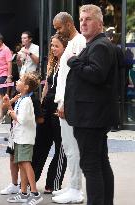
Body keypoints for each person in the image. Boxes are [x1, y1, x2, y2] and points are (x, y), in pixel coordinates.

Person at [64, 4, 119, 205]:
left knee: (92, 166)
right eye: (81, 19)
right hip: (92, 116)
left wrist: (74, 61)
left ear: (100, 23)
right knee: (101, 163)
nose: (83, 23)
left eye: (88, 19)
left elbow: (96, 74)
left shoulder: (100, 46)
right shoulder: (97, 45)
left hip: (91, 118)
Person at [52, 12, 86, 204]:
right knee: (68, 147)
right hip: (64, 102)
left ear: (69, 24)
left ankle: (76, 189)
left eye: (59, 28)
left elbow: (76, 78)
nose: (58, 32)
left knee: (73, 148)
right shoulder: (72, 43)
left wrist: (66, 103)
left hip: (69, 103)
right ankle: (72, 185)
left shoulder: (79, 41)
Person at [32, 33, 68, 193]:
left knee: (61, 147)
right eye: (52, 45)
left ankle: (52, 183)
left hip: (58, 108)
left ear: (65, 47)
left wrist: (63, 106)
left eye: (56, 46)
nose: (53, 48)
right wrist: (40, 104)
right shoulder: (52, 63)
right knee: (40, 144)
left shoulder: (68, 63)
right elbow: (47, 85)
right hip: (47, 107)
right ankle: (29, 180)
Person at [4, 73, 43, 205]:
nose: (17, 82)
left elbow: (21, 119)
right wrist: (9, 106)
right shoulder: (21, 99)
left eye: (20, 80)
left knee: (26, 163)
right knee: (20, 164)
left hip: (25, 138)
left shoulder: (26, 101)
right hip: (20, 138)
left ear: (26, 87)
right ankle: (23, 193)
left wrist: (11, 113)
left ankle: (34, 193)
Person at [0, 33, 12, 122]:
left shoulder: (6, 49)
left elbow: (9, 63)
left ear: (0, 41)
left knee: (1, 96)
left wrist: (9, 76)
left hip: (3, 75)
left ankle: (0, 115)